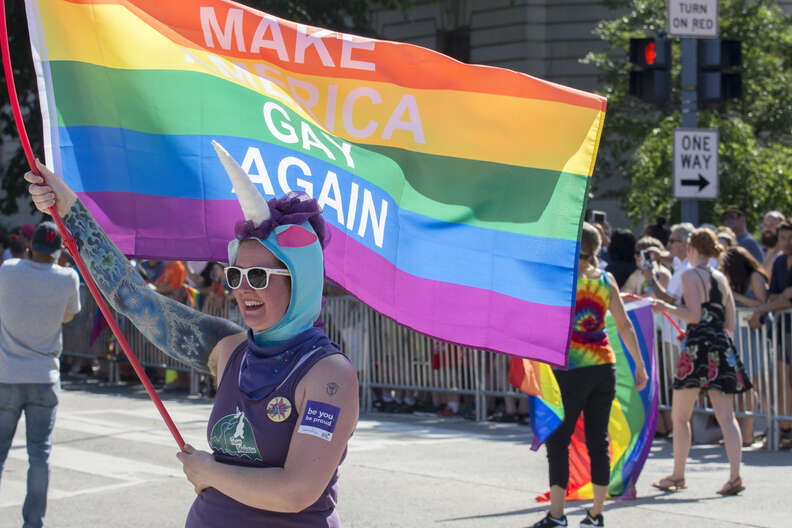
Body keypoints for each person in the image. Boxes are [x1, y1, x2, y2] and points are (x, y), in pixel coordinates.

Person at [25, 144, 358, 527]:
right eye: (235, 275)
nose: (242, 290)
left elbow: (297, 491)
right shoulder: (231, 349)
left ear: (301, 281)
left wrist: (209, 471)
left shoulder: (328, 374)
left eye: (259, 277)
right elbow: (134, 300)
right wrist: (69, 210)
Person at [530, 222, 648, 528]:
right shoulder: (606, 280)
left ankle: (557, 515)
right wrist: (639, 364)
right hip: (604, 367)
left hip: (571, 369)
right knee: (599, 441)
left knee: (559, 441)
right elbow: (624, 325)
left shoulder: (564, 279)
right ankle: (596, 514)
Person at [649, 229, 751, 496]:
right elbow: (728, 323)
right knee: (727, 417)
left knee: (680, 415)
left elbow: (693, 315)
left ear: (693, 249)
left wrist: (665, 308)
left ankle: (678, 475)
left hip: (697, 348)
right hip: (721, 345)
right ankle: (734, 475)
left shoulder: (690, 275)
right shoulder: (721, 279)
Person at [0, 221, 81, 528]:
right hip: (44, 377)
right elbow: (69, 315)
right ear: (58, 251)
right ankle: (33, 523)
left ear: (31, 245)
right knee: (39, 457)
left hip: (7, 375)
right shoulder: (67, 278)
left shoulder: (8, 270)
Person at [747, 222, 792, 447]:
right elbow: (775, 296)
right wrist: (777, 301)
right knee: (783, 380)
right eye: (783, 238)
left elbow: (785, 299)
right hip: (784, 329)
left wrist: (762, 310)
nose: (787, 242)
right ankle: (786, 430)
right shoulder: (780, 261)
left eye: (790, 238)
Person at [721, 247, 770, 445]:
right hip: (738, 338)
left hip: (754, 337)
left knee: (753, 385)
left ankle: (749, 433)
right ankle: (740, 433)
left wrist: (736, 296)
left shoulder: (755, 277)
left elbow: (763, 304)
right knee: (738, 386)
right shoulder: (732, 281)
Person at [760, 210, 785, 277]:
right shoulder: (759, 253)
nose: (767, 228)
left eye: (772, 225)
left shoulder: (787, 256)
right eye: (765, 224)